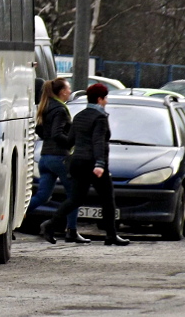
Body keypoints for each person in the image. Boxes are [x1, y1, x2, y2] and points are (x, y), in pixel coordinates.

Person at [40, 83, 129, 246]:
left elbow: (69, 141)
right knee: (108, 199)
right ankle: (111, 235)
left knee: (75, 199)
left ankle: (50, 225)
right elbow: (98, 141)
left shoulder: (80, 116)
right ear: (100, 99)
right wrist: (100, 164)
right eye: (105, 98)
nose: (107, 102)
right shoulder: (100, 118)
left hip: (77, 163)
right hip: (93, 164)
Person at [28, 78, 89, 244]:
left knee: (42, 196)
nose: (69, 92)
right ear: (61, 92)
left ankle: (14, 220)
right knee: (74, 195)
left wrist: (50, 139)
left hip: (45, 158)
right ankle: (71, 231)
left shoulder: (46, 106)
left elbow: (41, 130)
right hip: (59, 158)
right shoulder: (61, 110)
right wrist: (71, 142)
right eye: (68, 89)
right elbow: (57, 133)